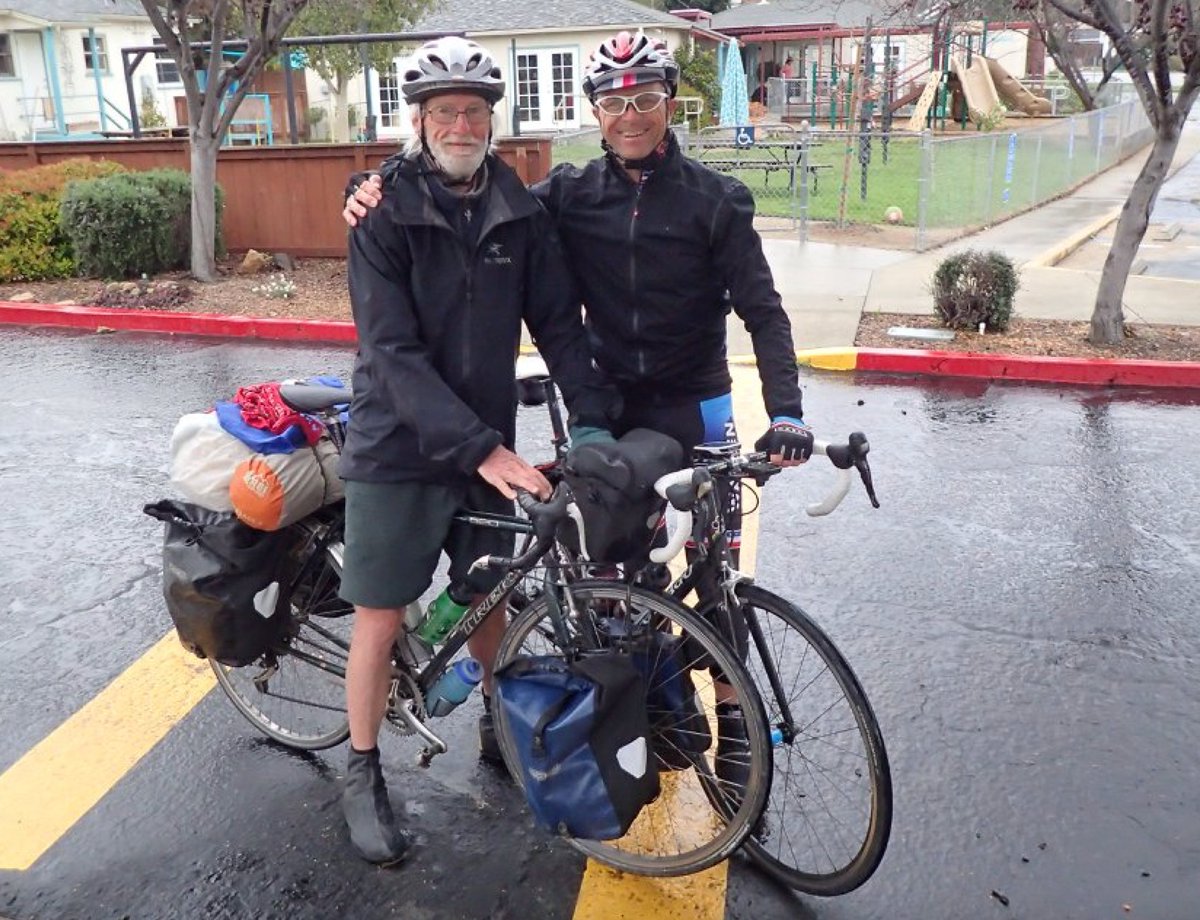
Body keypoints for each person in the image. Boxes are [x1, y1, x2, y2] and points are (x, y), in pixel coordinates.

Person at [344, 29, 814, 795]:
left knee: (712, 572)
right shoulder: (563, 196)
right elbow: (466, 220)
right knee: (618, 573)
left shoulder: (715, 201)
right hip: (612, 412)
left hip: (693, 408)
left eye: (647, 99)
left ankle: (732, 727)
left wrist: (787, 411)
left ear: (670, 104)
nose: (630, 115)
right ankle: (646, 709)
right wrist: (370, 183)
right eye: (614, 101)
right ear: (593, 112)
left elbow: (763, 311)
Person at [337, 36, 617, 867]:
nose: (460, 124)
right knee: (380, 616)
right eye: (443, 111)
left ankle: (498, 716)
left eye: (474, 112)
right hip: (397, 443)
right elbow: (390, 353)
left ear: (492, 124)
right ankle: (360, 771)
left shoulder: (518, 211)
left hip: (483, 439)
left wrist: (593, 421)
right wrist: (485, 451)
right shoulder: (381, 211)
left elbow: (560, 326)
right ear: (418, 123)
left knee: (491, 594)